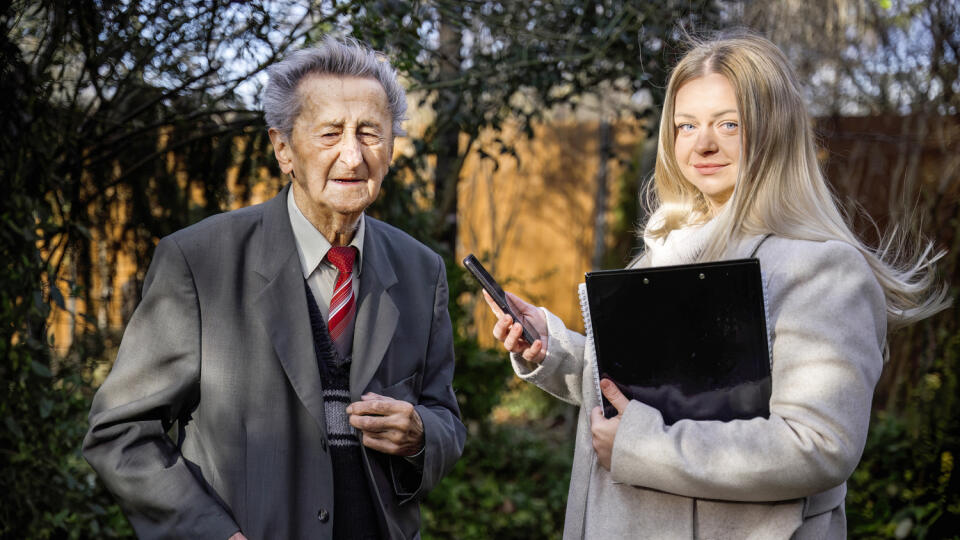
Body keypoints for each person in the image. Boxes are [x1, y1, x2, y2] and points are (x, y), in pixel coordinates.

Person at [485, 32, 949, 539]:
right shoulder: (667, 250)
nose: (703, 143)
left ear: (774, 131)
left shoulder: (822, 271)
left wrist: (642, 447)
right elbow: (654, 392)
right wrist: (553, 350)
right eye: (687, 125)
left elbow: (817, 445)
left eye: (729, 124)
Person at [83, 36, 466, 540]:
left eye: (370, 133)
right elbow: (121, 434)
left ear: (392, 147)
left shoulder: (422, 270)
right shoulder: (199, 262)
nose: (353, 156)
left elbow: (445, 418)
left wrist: (419, 435)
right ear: (283, 148)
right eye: (330, 133)